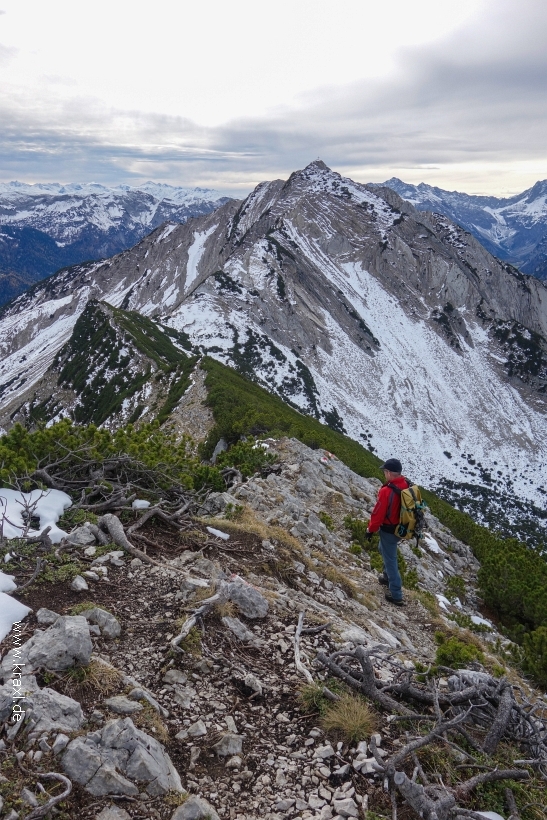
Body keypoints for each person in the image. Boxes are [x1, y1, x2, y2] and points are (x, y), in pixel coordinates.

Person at [366, 458, 407, 606]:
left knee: (390, 560)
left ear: (389, 473)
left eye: (385, 471)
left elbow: (378, 514)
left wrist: (370, 529)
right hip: (400, 528)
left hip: (389, 530)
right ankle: (386, 577)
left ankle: (396, 594)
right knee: (382, 549)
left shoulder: (386, 491)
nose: (384, 474)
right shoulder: (405, 484)